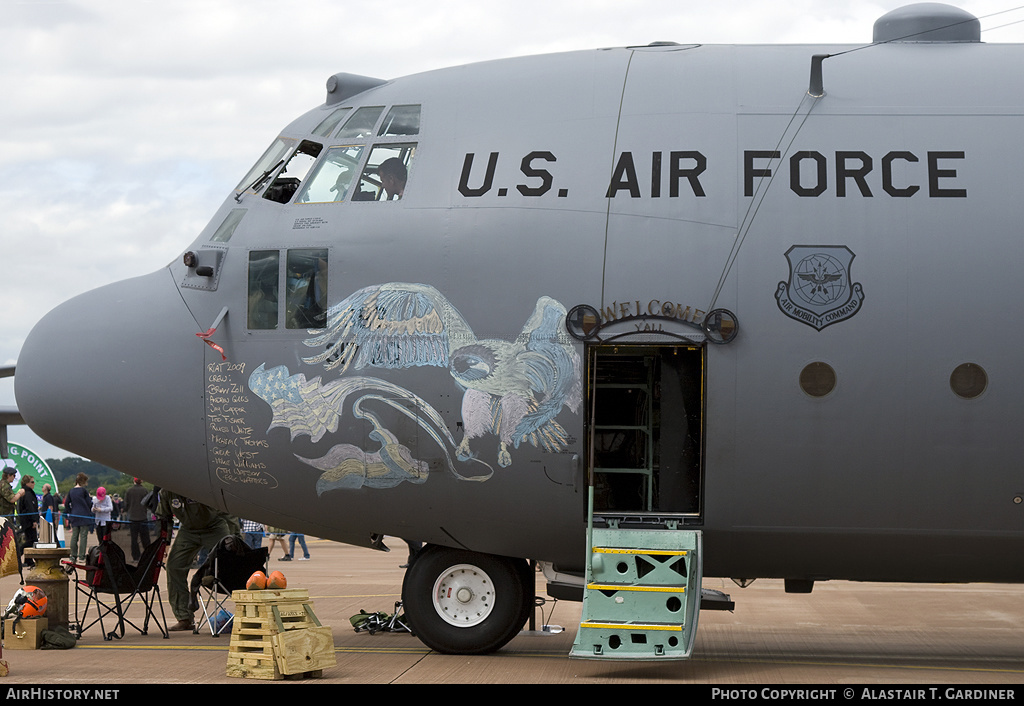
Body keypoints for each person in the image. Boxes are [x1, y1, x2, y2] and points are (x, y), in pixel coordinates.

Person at [157, 491, 238, 631]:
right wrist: (164, 543)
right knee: (174, 566)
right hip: (188, 530)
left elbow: (227, 510)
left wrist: (236, 537)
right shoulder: (166, 491)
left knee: (233, 563)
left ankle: (247, 612)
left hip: (215, 527)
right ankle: (184, 617)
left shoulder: (196, 484)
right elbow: (164, 518)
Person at [64, 473, 92, 562]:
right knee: (83, 536)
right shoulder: (84, 491)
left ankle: (73, 556)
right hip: (84, 514)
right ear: (83, 481)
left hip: (74, 514)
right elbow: (89, 503)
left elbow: (66, 503)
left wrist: (70, 511)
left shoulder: (71, 491)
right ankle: (82, 556)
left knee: (74, 536)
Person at [123, 478, 152, 562]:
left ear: (134, 481)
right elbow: (148, 503)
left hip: (133, 518)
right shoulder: (144, 490)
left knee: (134, 539)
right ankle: (148, 555)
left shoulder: (129, 491)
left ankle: (136, 556)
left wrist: (126, 509)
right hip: (143, 517)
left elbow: (126, 504)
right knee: (145, 539)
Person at [16, 476, 39, 561]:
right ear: (27, 483)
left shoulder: (25, 492)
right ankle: (17, 555)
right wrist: (34, 520)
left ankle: (28, 560)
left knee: (31, 540)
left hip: (25, 520)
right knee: (31, 541)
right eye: (32, 482)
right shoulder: (28, 493)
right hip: (28, 521)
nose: (34, 484)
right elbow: (30, 507)